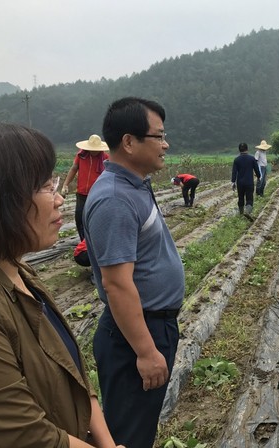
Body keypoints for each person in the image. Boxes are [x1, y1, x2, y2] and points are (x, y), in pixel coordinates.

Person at [0, 122, 122, 448]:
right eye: (43, 186)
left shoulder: (18, 270)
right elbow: (26, 438)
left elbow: (73, 373)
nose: (58, 199)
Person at [83, 97, 185, 448]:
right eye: (158, 136)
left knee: (138, 427)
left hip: (152, 325)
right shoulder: (115, 199)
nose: (165, 144)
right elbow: (116, 284)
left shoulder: (134, 186)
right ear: (129, 142)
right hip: (136, 334)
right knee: (129, 434)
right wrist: (145, 351)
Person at [61, 134, 109, 241]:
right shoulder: (81, 155)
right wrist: (65, 184)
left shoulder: (105, 158)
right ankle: (84, 242)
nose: (94, 151)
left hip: (97, 194)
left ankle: (95, 240)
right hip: (82, 193)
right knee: (79, 218)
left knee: (95, 218)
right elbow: (74, 169)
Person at [231, 142, 261, 218]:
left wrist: (233, 182)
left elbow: (234, 172)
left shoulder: (236, 160)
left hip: (240, 183)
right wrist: (259, 177)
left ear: (239, 150)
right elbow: (256, 169)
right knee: (249, 198)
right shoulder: (251, 159)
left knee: (240, 198)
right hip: (249, 182)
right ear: (247, 149)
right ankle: (247, 211)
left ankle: (241, 214)